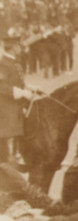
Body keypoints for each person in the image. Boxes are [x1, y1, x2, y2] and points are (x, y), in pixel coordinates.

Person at [0, 32, 35, 164]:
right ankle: (9, 161)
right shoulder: (3, 63)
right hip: (6, 107)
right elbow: (2, 86)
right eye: (18, 45)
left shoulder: (13, 62)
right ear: (13, 47)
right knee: (9, 136)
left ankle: (16, 156)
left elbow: (17, 81)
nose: (20, 48)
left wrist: (28, 87)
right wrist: (21, 93)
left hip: (16, 105)